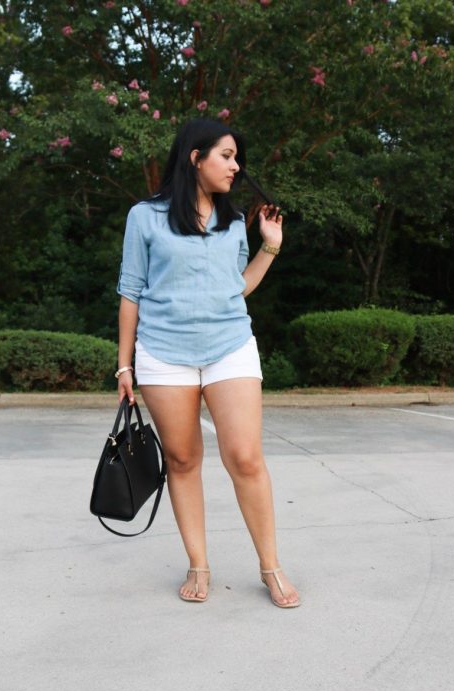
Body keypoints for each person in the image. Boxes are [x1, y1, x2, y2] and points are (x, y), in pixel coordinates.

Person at [115, 117, 300, 609]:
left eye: (237, 157)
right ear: (195, 157)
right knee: (182, 460)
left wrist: (271, 247)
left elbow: (234, 288)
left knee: (244, 457)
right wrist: (124, 364)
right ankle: (198, 563)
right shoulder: (145, 217)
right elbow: (130, 291)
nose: (235, 166)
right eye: (226, 155)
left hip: (229, 345)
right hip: (163, 354)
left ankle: (271, 566)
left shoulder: (233, 220)